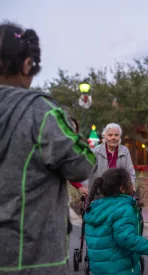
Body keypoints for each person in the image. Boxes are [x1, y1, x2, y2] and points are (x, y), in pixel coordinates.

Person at [0, 22, 96, 275]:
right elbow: (82, 164)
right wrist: (74, 131)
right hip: (34, 258)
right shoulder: (41, 112)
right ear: (27, 65)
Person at [84, 168, 148, 275]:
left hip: (98, 269)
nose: (133, 185)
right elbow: (126, 239)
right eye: (130, 183)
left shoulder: (94, 208)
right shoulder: (123, 209)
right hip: (120, 268)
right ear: (122, 189)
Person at [88, 123, 136, 196]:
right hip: (100, 194)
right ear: (105, 137)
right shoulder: (96, 151)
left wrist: (131, 185)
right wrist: (86, 188)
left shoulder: (125, 150)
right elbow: (88, 172)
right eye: (110, 135)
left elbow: (130, 172)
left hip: (119, 194)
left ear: (119, 137)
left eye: (116, 135)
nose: (113, 138)